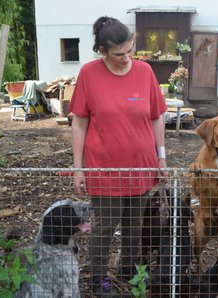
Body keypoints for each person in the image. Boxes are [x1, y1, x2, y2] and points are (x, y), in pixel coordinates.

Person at [69, 16, 167, 296]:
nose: (126, 58)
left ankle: (128, 272)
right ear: (102, 51)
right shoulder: (89, 73)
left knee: (135, 226)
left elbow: (157, 117)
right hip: (105, 169)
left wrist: (161, 158)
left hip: (142, 166)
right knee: (104, 229)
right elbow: (80, 122)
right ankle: (99, 280)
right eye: (118, 54)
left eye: (130, 50)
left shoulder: (145, 71)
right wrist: (79, 168)